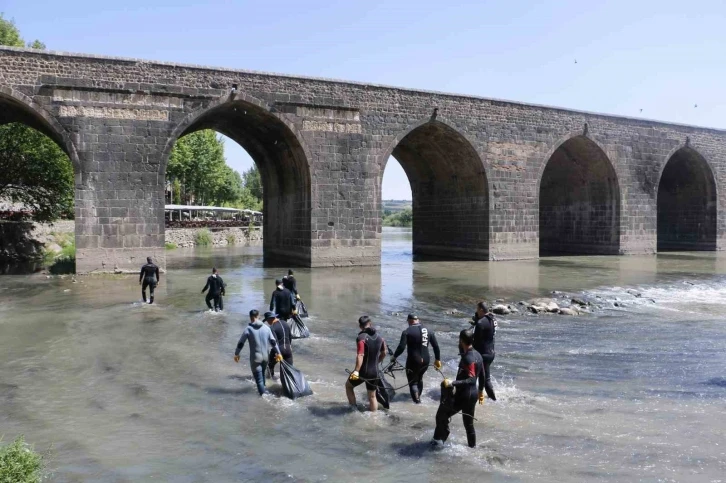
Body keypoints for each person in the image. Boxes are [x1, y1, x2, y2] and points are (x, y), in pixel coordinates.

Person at [432, 329, 486, 448]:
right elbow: (482, 375)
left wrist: (453, 383)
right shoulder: (478, 355)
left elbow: (471, 379)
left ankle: (437, 443)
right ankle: (472, 448)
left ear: (461, 340)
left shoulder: (468, 358)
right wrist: (481, 391)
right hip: (472, 395)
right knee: (469, 425)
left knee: (441, 415)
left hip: (464, 395)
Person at [392, 314, 442, 403]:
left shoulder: (407, 331)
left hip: (414, 359)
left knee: (413, 382)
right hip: (426, 360)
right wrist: (437, 359)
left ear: (409, 321)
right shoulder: (429, 330)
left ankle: (417, 403)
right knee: (420, 378)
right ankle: (418, 397)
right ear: (418, 320)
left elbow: (401, 347)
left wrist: (394, 356)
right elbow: (436, 346)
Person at [234, 309, 282, 395]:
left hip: (255, 358)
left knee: (259, 380)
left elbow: (241, 343)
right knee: (262, 375)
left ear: (250, 317)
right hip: (265, 357)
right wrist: (278, 353)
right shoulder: (267, 328)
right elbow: (273, 342)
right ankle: (265, 391)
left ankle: (264, 397)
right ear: (258, 316)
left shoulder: (248, 329)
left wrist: (237, 354)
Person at [346, 315, 387, 412]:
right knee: (372, 396)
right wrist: (376, 362)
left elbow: (360, 355)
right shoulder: (380, 338)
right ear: (370, 324)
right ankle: (374, 417)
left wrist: (356, 371)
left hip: (363, 371)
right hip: (375, 371)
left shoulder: (361, 338)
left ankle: (353, 410)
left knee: (348, 386)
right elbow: (384, 352)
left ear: (360, 326)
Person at [470, 302, 497, 400]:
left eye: (477, 309)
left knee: (477, 378)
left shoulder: (481, 323)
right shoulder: (492, 319)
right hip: (491, 352)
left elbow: (475, 341)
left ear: (481, 310)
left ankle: (475, 396)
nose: (476, 311)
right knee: (486, 379)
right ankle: (493, 399)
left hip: (483, 354)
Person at [266, 311, 293, 378]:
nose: (267, 322)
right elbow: (290, 336)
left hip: (279, 350)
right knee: (288, 371)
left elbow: (274, 342)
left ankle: (270, 381)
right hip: (288, 350)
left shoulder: (272, 327)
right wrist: (289, 346)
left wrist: (278, 353)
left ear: (270, 319)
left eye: (267, 320)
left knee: (270, 365)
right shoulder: (285, 323)